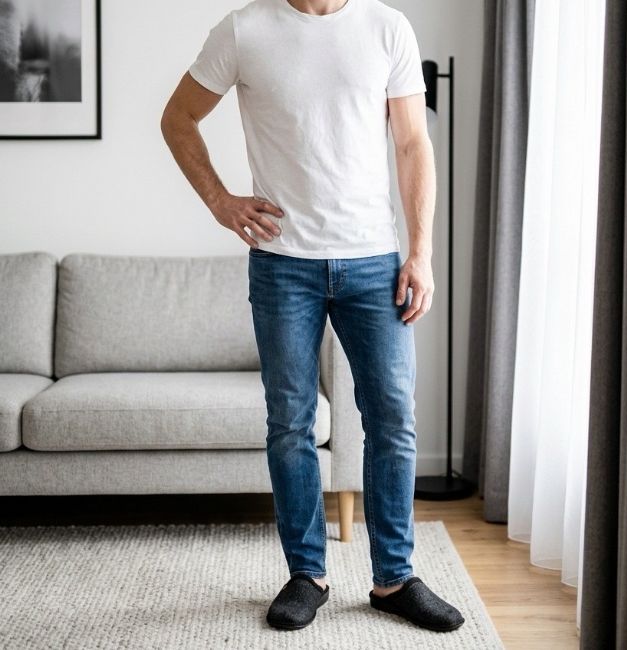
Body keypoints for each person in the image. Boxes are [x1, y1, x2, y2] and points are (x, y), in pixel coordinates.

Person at [161, 0, 465, 633]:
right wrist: (220, 202)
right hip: (282, 265)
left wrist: (421, 253)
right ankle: (307, 574)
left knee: (392, 419)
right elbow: (178, 117)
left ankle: (394, 578)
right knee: (291, 424)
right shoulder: (244, 29)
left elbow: (413, 144)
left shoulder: (387, 28)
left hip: (374, 261)